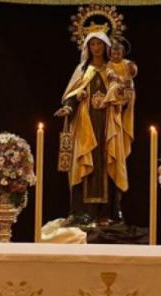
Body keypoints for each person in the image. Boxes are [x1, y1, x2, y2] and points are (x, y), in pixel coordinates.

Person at [54, 27, 133, 226]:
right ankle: (82, 213)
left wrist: (122, 94)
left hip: (108, 125)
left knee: (109, 162)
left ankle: (110, 212)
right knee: (85, 162)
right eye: (92, 44)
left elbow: (126, 92)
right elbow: (71, 95)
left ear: (106, 46)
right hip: (86, 125)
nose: (96, 48)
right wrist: (69, 106)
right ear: (87, 47)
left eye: (99, 44)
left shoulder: (113, 69)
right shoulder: (82, 70)